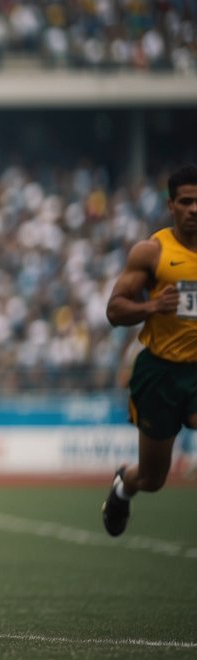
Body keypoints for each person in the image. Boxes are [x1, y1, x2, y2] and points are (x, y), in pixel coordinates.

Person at [102, 163, 197, 535]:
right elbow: (114, 310)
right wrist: (151, 307)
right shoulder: (153, 252)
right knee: (154, 477)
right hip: (160, 371)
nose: (194, 210)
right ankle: (123, 486)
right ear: (171, 205)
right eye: (186, 202)